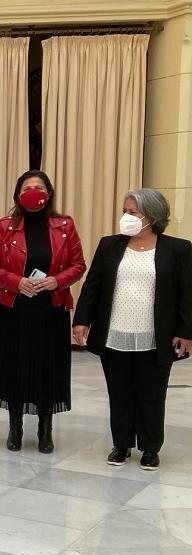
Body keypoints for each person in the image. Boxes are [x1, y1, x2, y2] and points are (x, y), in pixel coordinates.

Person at [74, 188, 192, 471]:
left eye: (133, 212)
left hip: (156, 335)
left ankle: (150, 448)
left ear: (151, 216)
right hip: (114, 331)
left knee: (152, 393)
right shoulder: (110, 245)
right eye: (125, 210)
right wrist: (82, 319)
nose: (125, 217)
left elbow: (188, 294)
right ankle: (122, 444)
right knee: (119, 391)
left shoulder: (178, 249)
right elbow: (93, 287)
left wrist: (186, 331)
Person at [0, 171, 85, 454]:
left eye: (38, 187)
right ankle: (14, 427)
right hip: (14, 309)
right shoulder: (6, 227)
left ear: (48, 193)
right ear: (18, 195)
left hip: (50, 309)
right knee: (15, 365)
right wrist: (17, 282)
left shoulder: (64, 226)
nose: (33, 191)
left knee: (47, 367)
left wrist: (57, 280)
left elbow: (78, 264)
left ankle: (45, 429)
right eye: (27, 187)